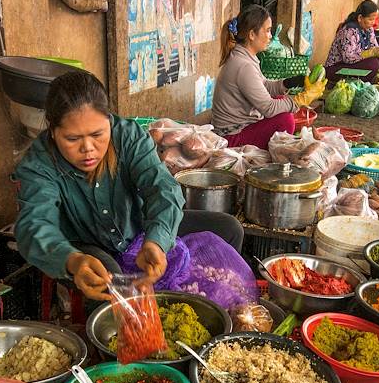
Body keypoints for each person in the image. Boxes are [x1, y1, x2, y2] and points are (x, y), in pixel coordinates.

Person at [15, 71, 246, 302]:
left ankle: (220, 302)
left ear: (109, 120)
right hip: (88, 246)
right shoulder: (39, 163)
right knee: (110, 279)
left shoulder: (128, 136)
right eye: (72, 139)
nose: (88, 148)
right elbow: (33, 225)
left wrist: (156, 241)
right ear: (53, 133)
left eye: (97, 134)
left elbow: (162, 189)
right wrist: (72, 260)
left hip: (138, 228)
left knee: (228, 228)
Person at [212, 5, 296, 149]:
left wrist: (289, 83)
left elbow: (266, 87)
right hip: (230, 138)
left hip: (238, 129)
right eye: (268, 30)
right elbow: (268, 108)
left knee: (280, 100)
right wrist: (296, 102)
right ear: (252, 35)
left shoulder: (246, 57)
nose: (270, 36)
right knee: (285, 120)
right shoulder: (244, 66)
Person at [325, 0, 379, 82]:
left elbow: (375, 47)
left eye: (374, 19)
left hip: (353, 65)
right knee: (373, 64)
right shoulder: (349, 31)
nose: (373, 23)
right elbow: (348, 58)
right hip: (336, 69)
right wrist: (371, 53)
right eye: (370, 19)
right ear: (360, 18)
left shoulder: (369, 29)